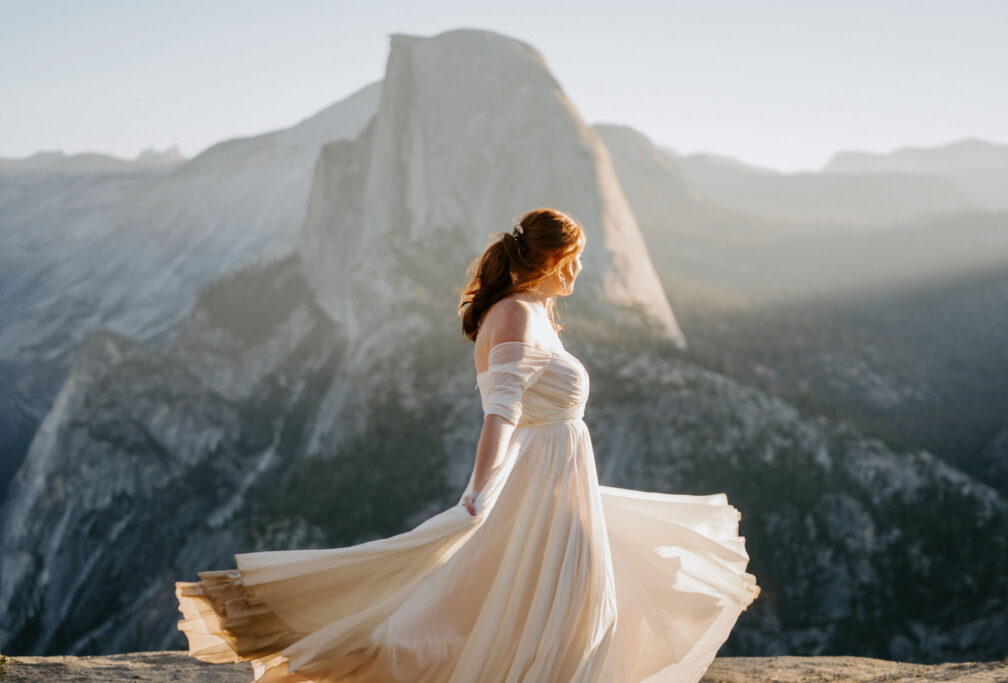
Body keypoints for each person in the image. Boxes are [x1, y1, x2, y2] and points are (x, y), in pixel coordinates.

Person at [175, 206, 760, 682]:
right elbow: (500, 415)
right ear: (553, 258)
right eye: (576, 260)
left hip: (558, 483)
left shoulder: (532, 313)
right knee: (558, 611)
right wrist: (478, 495)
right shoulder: (515, 318)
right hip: (541, 488)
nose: (580, 272)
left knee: (569, 609)